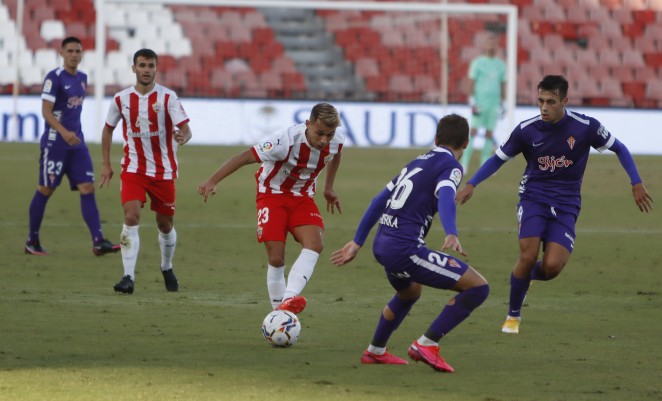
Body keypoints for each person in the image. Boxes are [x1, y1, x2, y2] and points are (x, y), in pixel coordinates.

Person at [456, 75, 654, 335]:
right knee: (527, 256)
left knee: (551, 268)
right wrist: (472, 183)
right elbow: (498, 159)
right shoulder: (527, 130)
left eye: (550, 102)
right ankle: (513, 315)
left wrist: (636, 182)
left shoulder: (586, 127)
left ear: (564, 101)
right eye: (540, 101)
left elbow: (620, 148)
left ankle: (524, 277)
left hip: (567, 203)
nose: (544, 108)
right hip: (533, 198)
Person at [331, 114, 490, 373]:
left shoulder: (417, 161)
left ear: (436, 139)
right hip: (405, 248)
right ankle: (426, 344)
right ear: (466, 143)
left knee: (409, 292)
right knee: (478, 288)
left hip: (382, 243)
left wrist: (357, 241)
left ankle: (375, 351)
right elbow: (447, 193)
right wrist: (451, 231)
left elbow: (378, 200)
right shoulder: (451, 165)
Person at [197, 103, 344, 315]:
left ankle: (287, 301)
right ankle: (279, 314)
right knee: (276, 258)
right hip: (272, 195)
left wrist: (328, 188)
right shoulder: (285, 142)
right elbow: (245, 157)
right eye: (320, 133)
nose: (324, 140)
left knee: (315, 244)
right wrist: (212, 180)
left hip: (302, 197)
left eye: (329, 135)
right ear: (307, 124)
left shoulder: (336, 141)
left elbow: (336, 154)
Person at [99, 48, 192, 294]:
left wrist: (183, 137)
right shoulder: (121, 99)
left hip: (163, 172)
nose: (146, 70)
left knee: (165, 225)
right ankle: (128, 277)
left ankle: (166, 266)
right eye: (142, 65)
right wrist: (106, 164)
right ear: (134, 69)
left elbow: (186, 128)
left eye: (151, 66)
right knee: (131, 217)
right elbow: (107, 129)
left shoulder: (168, 98)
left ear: (156, 69)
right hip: (133, 169)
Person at [25, 36, 119, 256]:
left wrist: (72, 134)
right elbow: (46, 112)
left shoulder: (83, 79)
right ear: (62, 53)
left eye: (78, 51)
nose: (74, 55)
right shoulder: (54, 78)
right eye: (70, 51)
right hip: (55, 143)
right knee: (46, 189)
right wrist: (63, 132)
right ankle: (32, 241)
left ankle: (98, 241)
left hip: (77, 145)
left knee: (87, 187)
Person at [462, 32, 506, 174]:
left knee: (489, 133)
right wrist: (472, 99)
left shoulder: (501, 65)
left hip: (494, 104)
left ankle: (485, 164)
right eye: (488, 43)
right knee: (473, 132)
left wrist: (503, 102)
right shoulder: (478, 63)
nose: (491, 45)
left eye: (493, 43)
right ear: (485, 45)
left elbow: (503, 84)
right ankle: (464, 163)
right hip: (480, 102)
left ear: (497, 46)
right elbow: (471, 81)